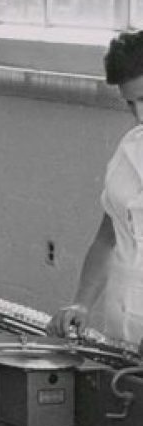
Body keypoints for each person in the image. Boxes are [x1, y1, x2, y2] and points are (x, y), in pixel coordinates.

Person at [48, 30, 143, 347]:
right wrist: (82, 303)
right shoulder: (129, 148)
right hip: (123, 333)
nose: (139, 115)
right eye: (130, 103)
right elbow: (107, 238)